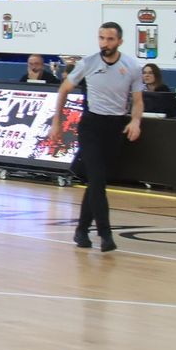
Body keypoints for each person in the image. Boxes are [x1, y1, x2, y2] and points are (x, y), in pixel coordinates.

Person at [52, 23, 142, 253]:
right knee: (98, 180)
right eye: (101, 38)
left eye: (110, 39)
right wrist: (57, 121)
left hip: (115, 126)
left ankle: (81, 230)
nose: (105, 43)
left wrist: (135, 121)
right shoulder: (88, 63)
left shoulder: (132, 66)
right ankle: (105, 234)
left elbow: (138, 100)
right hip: (91, 126)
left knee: (97, 182)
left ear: (120, 41)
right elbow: (64, 90)